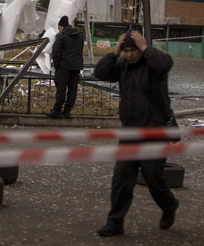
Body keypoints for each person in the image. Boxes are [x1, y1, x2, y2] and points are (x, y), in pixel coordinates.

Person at [93, 30, 179, 236]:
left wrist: (146, 48)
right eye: (127, 51)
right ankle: (115, 222)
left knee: (153, 178)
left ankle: (169, 205)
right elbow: (100, 73)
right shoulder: (123, 63)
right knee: (121, 179)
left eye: (133, 50)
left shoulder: (154, 64)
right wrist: (114, 53)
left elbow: (165, 64)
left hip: (154, 131)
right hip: (130, 131)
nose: (130, 55)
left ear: (140, 48)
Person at [46, 16, 84, 119]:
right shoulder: (80, 36)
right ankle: (67, 111)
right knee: (72, 89)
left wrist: (57, 65)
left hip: (63, 66)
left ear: (61, 27)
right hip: (76, 67)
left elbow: (55, 52)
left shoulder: (61, 36)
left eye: (59, 28)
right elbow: (80, 51)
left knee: (61, 88)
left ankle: (57, 110)